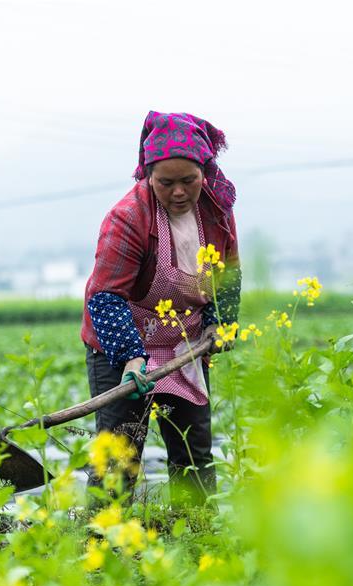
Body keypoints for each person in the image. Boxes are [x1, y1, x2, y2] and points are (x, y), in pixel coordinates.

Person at [81, 111, 241, 506]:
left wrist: (220, 323)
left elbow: (229, 274)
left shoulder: (217, 212)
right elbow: (105, 296)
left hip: (184, 343)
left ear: (205, 171)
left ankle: (198, 536)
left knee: (194, 456)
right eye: (166, 183)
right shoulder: (128, 217)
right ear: (148, 175)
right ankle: (103, 546)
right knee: (119, 458)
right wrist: (131, 359)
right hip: (122, 341)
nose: (180, 192)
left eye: (189, 180)